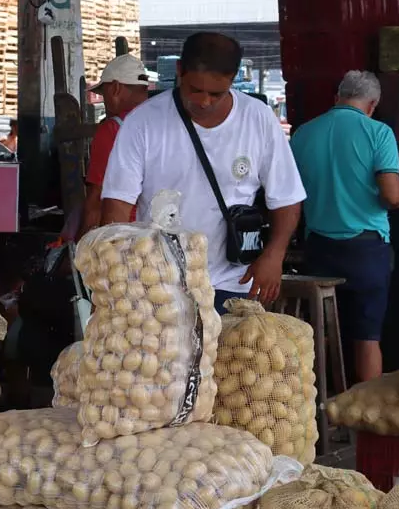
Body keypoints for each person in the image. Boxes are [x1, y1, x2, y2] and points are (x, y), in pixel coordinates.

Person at [101, 32, 306, 311]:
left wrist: (274, 254)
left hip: (233, 283)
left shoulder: (258, 118)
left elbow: (287, 197)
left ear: (233, 80)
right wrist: (120, 273)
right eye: (195, 90)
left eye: (216, 94)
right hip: (160, 286)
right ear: (179, 72)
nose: (205, 101)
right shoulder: (143, 123)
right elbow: (117, 204)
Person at [290, 70, 399, 383]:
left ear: (337, 97)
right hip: (365, 250)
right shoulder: (377, 132)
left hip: (319, 249)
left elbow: (289, 194)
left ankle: (319, 406)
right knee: (366, 337)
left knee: (323, 332)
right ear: (372, 104)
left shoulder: (303, 133)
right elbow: (392, 196)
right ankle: (364, 415)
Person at [80, 54, 150, 238]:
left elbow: (96, 199)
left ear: (116, 88)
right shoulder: (162, 122)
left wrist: (81, 249)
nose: (105, 102)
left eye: (104, 95)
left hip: (126, 237)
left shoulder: (112, 130)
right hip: (162, 233)